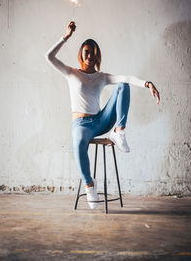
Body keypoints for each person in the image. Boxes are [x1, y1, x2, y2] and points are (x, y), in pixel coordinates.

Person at [45, 21, 160, 209]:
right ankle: (90, 185)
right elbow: (48, 56)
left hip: (101, 121)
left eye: (93, 52)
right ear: (81, 54)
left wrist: (147, 84)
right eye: (87, 51)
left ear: (98, 55)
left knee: (123, 85)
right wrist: (66, 37)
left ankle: (119, 132)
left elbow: (128, 78)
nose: (90, 55)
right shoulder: (71, 73)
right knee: (78, 143)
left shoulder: (102, 77)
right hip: (81, 124)